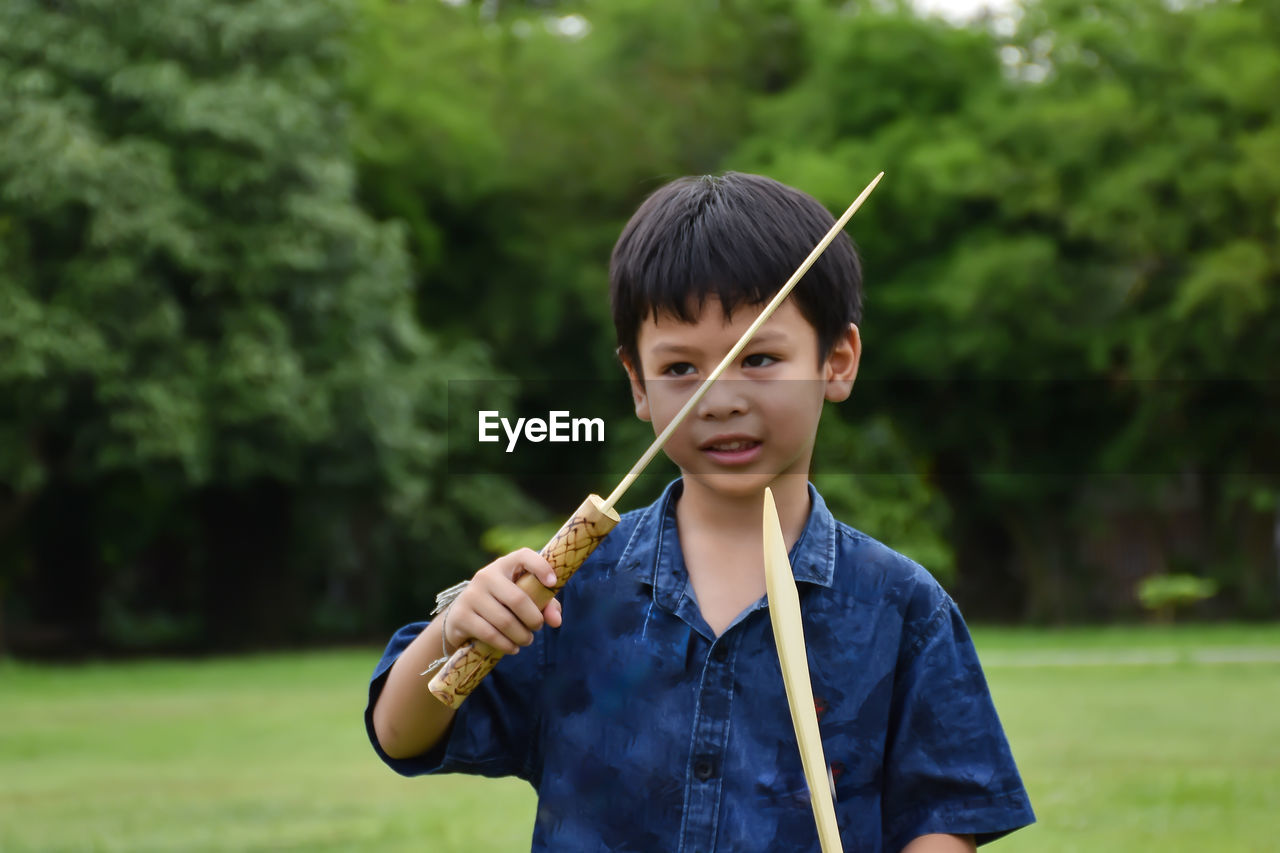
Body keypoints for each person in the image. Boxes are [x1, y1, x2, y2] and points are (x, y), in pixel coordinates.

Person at [366, 173, 1035, 851]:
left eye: (761, 358)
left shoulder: (902, 606)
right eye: (682, 369)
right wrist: (456, 627)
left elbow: (946, 816)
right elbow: (400, 731)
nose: (718, 399)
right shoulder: (564, 593)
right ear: (638, 383)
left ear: (837, 361)